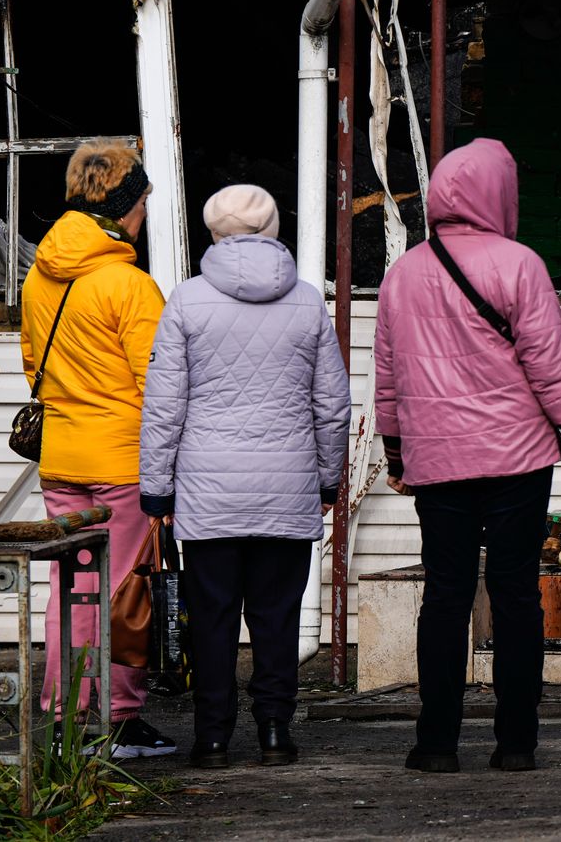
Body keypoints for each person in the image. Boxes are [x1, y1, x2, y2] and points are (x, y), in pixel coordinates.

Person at [375, 139, 561, 774]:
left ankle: (435, 745)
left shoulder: (403, 272)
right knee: (515, 596)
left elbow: (388, 376)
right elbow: (549, 364)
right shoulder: (519, 264)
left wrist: (397, 455)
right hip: (517, 461)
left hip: (437, 463)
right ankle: (516, 744)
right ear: (499, 195)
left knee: (445, 596)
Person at [140, 184, 350, 770]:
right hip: (287, 487)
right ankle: (276, 732)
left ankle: (211, 738)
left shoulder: (186, 301)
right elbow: (332, 406)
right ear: (273, 227)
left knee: (211, 618)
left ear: (213, 232)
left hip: (208, 494)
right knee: (277, 617)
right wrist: (327, 480)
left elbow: (164, 405)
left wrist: (156, 487)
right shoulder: (307, 301)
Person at [21, 142, 173, 758]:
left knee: (70, 584)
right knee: (124, 590)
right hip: (121, 459)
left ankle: (64, 713)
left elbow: (33, 362)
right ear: (126, 205)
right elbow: (159, 385)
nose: (143, 214)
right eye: (142, 202)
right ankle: (117, 718)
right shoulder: (128, 285)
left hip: (62, 456)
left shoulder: (39, 275)